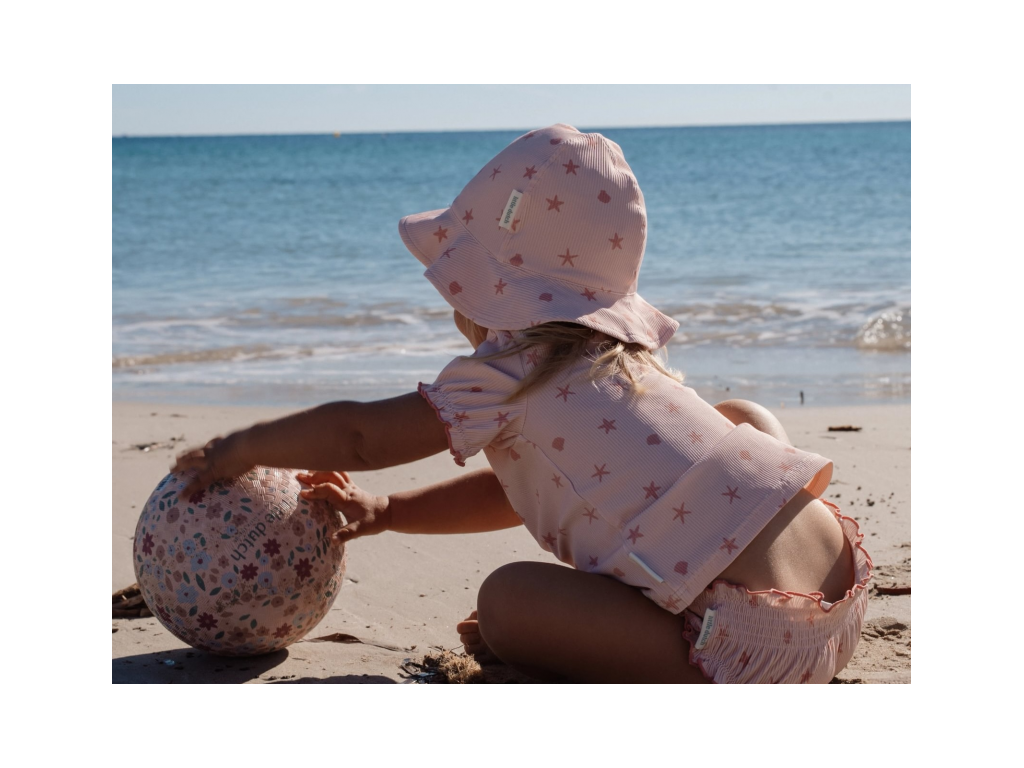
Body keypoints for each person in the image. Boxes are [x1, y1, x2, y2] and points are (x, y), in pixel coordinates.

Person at [174, 124, 872, 683]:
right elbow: (529, 493)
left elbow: (361, 436)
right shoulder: (627, 363)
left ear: (483, 291)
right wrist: (387, 513)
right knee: (739, 418)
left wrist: (243, 446)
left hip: (749, 648)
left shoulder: (504, 377)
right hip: (841, 589)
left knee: (506, 604)